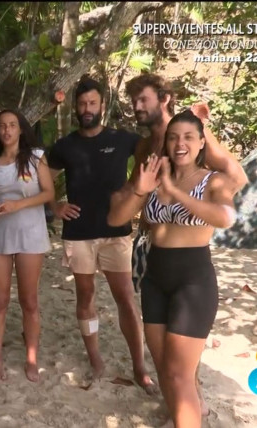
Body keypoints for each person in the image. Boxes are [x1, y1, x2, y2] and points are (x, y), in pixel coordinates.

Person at [107, 73, 248, 416]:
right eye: (173, 139)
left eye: (188, 137)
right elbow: (115, 219)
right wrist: (143, 189)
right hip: (155, 277)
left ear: (201, 143)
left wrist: (174, 194)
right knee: (166, 371)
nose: (179, 143)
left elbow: (225, 217)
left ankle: (190, 411)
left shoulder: (210, 180)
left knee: (179, 373)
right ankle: (185, 414)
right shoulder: (156, 170)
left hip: (192, 279)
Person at [46, 77, 155, 392]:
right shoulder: (65, 145)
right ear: (75, 107)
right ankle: (95, 360)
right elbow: (42, 175)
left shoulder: (123, 140)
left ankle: (140, 367)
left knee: (126, 299)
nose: (87, 109)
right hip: (78, 233)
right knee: (86, 297)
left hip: (116, 233)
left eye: (92, 103)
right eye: (82, 104)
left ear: (102, 105)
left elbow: (154, 151)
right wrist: (54, 204)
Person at [0, 109, 54, 382]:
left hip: (31, 234)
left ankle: (31, 359)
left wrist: (18, 204)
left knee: (28, 300)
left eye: (12, 125)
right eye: (2, 126)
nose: (7, 130)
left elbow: (49, 193)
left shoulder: (36, 158)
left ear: (21, 129)